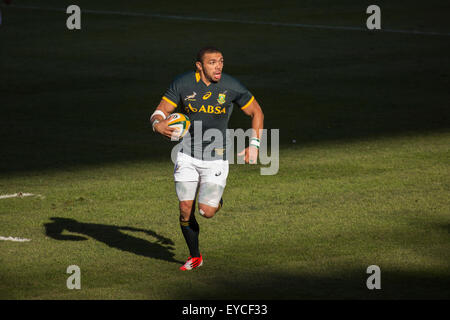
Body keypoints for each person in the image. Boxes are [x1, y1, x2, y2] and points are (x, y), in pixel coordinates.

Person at [150, 47, 264, 271]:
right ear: (199, 66)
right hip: (186, 155)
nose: (218, 66)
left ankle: (215, 200)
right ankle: (195, 256)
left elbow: (256, 111)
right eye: (212, 62)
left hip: (216, 158)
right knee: (185, 209)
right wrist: (157, 123)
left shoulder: (231, 86)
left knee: (206, 212)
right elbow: (161, 110)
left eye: (221, 61)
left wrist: (255, 145)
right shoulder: (183, 84)